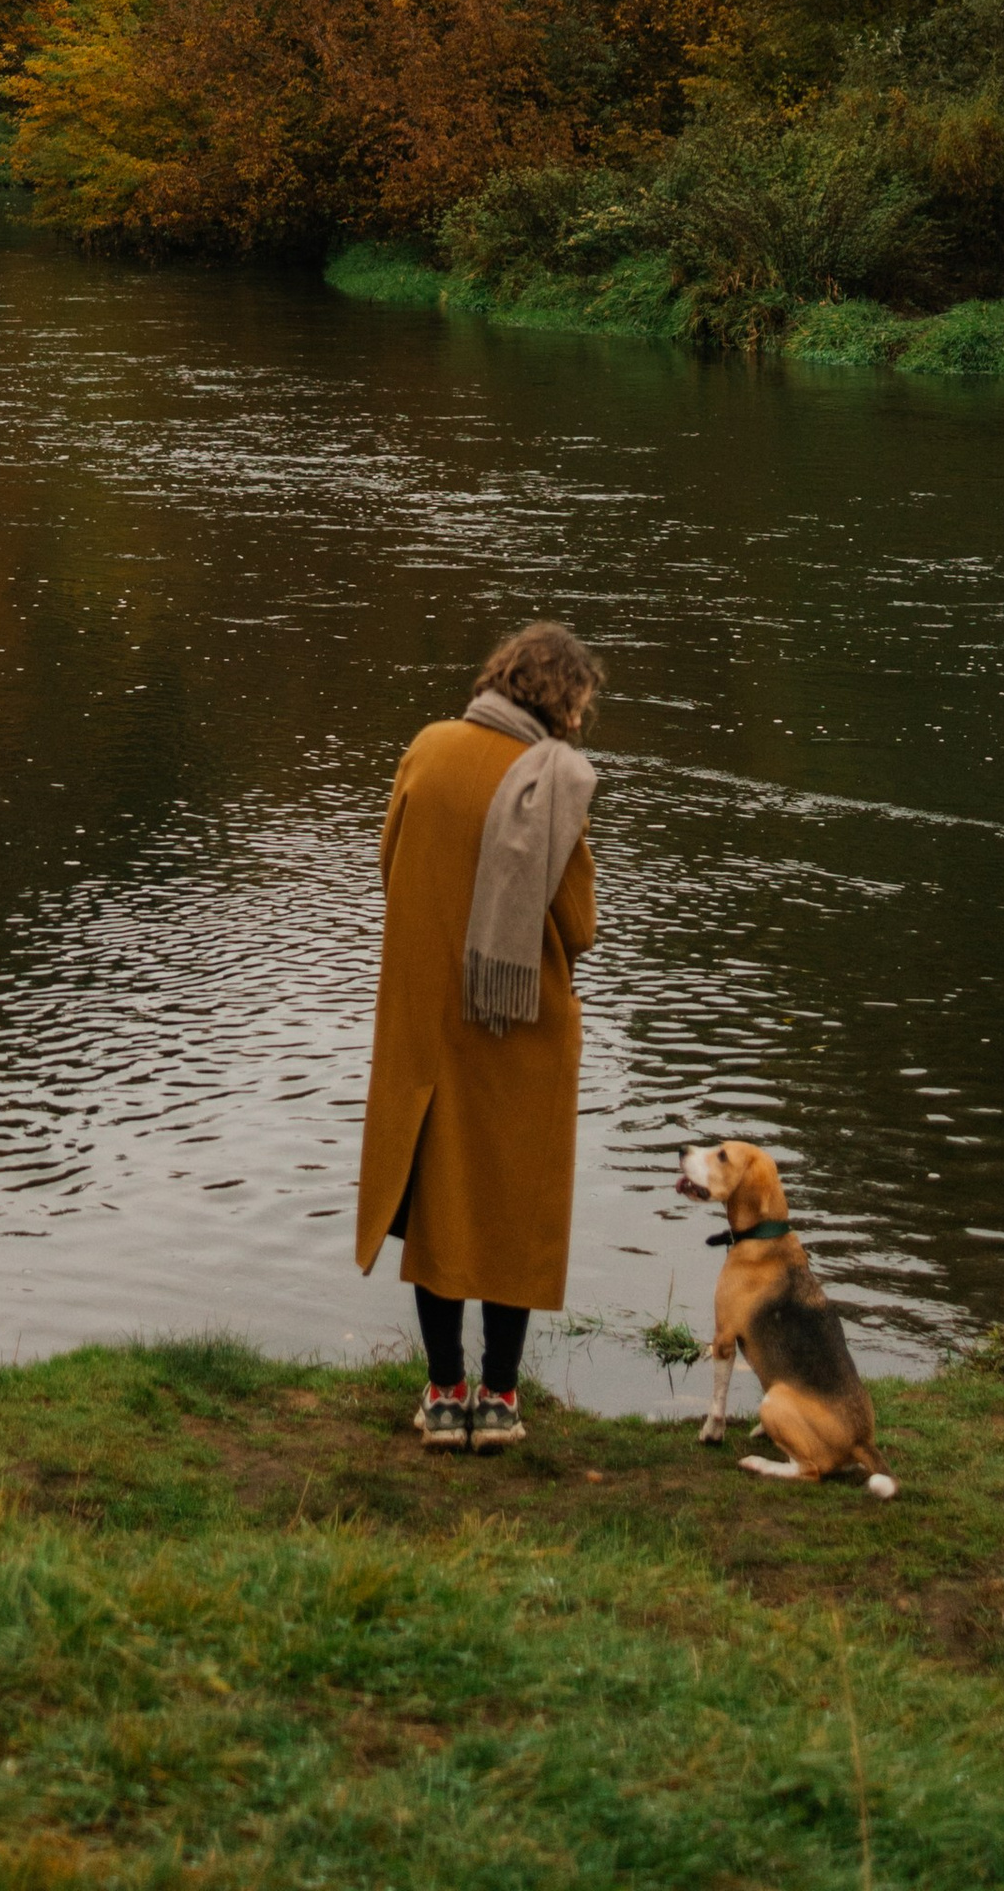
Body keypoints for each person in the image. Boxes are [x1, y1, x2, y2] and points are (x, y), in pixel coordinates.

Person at [354, 620, 602, 1450]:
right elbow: (578, 924)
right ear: (564, 698)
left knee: (442, 1202)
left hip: (428, 1011)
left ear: (500, 676)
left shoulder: (427, 747)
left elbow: (390, 863)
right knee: (511, 1204)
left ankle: (443, 1388)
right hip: (521, 1025)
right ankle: (499, 1398)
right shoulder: (560, 780)